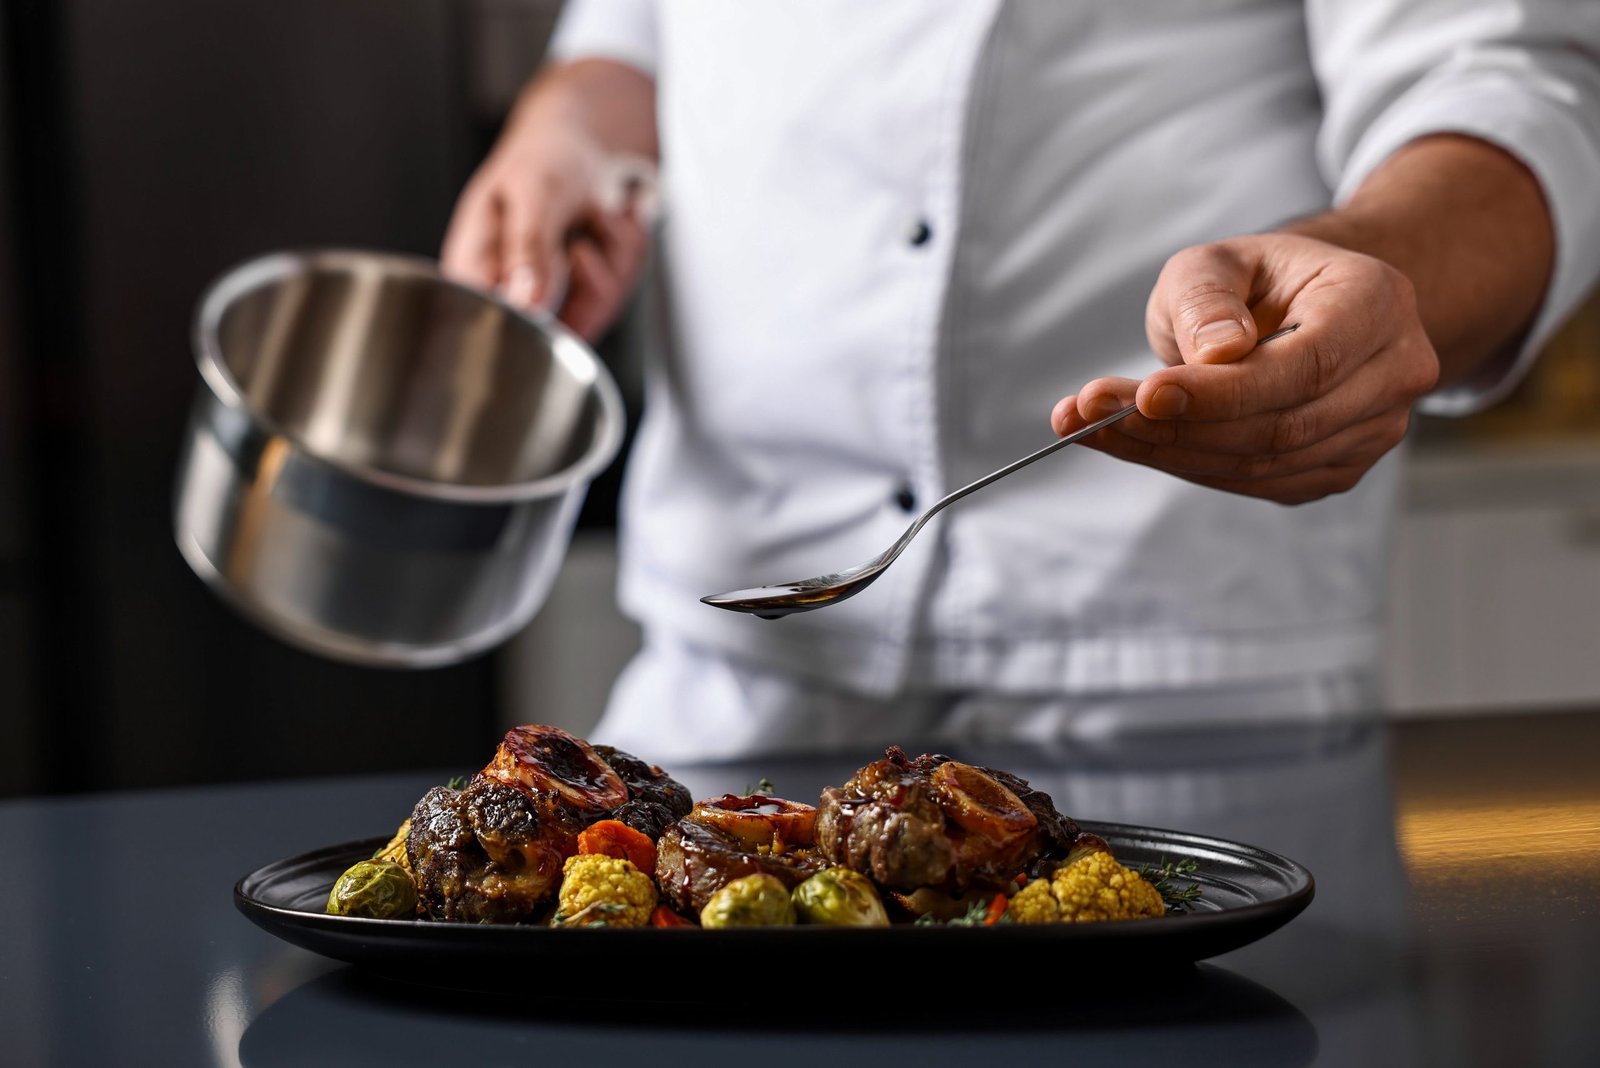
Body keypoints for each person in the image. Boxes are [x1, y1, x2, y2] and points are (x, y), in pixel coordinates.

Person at [443, 1, 1600, 763]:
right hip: (723, 685)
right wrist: (568, 133)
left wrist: (1377, 269)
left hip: (1167, 690)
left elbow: (1507, 79)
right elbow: (631, 36)